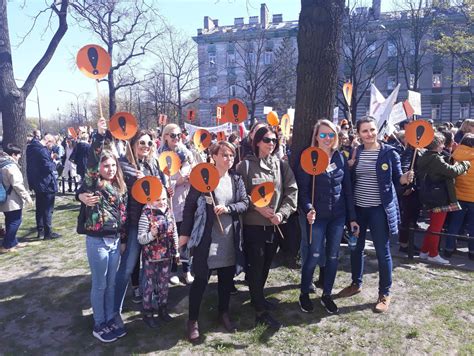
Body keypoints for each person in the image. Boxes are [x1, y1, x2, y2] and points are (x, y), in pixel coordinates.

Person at [338, 116, 413, 313]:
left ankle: (384, 293)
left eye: (372, 130)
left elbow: (397, 181)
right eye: (365, 131)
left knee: (382, 252)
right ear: (359, 133)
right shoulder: (355, 152)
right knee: (356, 248)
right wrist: (350, 167)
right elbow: (349, 181)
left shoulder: (389, 152)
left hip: (380, 210)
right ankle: (356, 283)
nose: (369, 134)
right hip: (358, 210)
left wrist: (405, 179)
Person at [180, 141, 249, 342]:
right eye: (225, 155)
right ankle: (192, 320)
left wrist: (229, 209)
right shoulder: (202, 179)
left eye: (231, 155)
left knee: (226, 280)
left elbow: (245, 202)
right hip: (207, 239)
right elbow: (189, 208)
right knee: (201, 280)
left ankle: (223, 313)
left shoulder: (236, 179)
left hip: (229, 237)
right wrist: (184, 234)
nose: (229, 159)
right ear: (214, 156)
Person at [236, 125, 298, 329]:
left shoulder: (281, 166)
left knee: (266, 265)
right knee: (256, 265)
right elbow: (239, 195)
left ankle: (257, 297)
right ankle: (260, 311)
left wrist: (282, 213)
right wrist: (258, 208)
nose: (271, 144)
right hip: (254, 225)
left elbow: (291, 192)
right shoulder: (245, 166)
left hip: (275, 225)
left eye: (274, 140)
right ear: (257, 142)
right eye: (266, 140)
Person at [296, 120, 358, 314]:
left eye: (331, 135)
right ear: (316, 136)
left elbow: (347, 189)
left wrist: (352, 218)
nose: (327, 139)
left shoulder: (340, 157)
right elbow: (303, 191)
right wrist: (308, 209)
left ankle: (327, 294)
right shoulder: (307, 157)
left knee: (333, 256)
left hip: (337, 217)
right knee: (314, 254)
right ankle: (304, 292)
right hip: (317, 216)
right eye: (323, 135)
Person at [77, 117, 128, 343]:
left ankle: (109, 318)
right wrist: (99, 136)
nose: (109, 168)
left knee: (110, 284)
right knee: (99, 284)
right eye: (105, 165)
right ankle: (99, 323)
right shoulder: (94, 182)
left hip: (115, 241)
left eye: (112, 165)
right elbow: (91, 161)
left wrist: (124, 237)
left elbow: (123, 216)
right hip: (97, 241)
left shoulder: (119, 187)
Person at [109, 129, 166, 327]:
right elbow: (117, 194)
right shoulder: (123, 165)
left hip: (153, 223)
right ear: (132, 144)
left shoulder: (152, 164)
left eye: (149, 143)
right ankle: (114, 310)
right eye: (141, 143)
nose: (145, 147)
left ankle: (152, 307)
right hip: (134, 224)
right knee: (127, 268)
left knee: (152, 269)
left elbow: (161, 190)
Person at [417, 132, 470, 264]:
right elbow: (451, 171)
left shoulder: (425, 156)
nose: (443, 146)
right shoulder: (435, 158)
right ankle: (433, 254)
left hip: (430, 194)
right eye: (441, 143)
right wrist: (464, 165)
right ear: (437, 144)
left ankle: (424, 251)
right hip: (439, 196)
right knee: (436, 227)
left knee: (433, 226)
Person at [158, 123, 195, 285]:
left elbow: (194, 169)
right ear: (165, 136)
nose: (176, 138)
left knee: (186, 235)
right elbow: (161, 182)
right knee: (172, 237)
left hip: (187, 200)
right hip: (170, 202)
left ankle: (187, 269)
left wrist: (190, 175)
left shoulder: (186, 153)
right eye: (172, 135)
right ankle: (173, 269)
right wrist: (176, 182)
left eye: (179, 135)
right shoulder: (159, 155)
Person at [137, 188, 179, 328]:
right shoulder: (146, 215)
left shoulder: (169, 212)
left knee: (164, 284)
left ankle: (163, 309)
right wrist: (151, 235)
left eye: (163, 199)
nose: (161, 202)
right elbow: (140, 239)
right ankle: (148, 313)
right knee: (149, 285)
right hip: (151, 257)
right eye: (157, 199)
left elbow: (174, 233)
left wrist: (176, 250)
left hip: (166, 256)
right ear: (150, 200)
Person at [26, 133, 60, 240]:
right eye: (51, 145)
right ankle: (48, 233)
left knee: (39, 208)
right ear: (48, 141)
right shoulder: (42, 150)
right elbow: (47, 167)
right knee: (48, 209)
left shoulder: (31, 148)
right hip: (46, 183)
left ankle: (40, 231)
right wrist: (55, 163)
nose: (51, 147)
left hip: (37, 182)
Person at [0, 144, 33, 253]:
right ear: (13, 154)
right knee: (15, 221)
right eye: (18, 154)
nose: (19, 156)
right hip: (12, 199)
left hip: (4, 198)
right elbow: (17, 184)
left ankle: (14, 242)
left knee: (10, 220)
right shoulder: (11, 166)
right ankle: (6, 245)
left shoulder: (2, 163)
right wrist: (27, 197)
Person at [446, 133, 474, 260]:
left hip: (457, 195)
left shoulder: (454, 155)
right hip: (473, 198)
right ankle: (472, 252)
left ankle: (449, 249)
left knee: (454, 224)